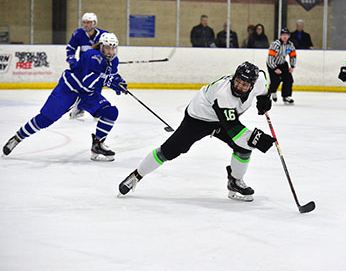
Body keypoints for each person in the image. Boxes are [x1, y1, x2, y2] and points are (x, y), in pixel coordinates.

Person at [118, 62, 276, 202]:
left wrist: (265, 97)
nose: (239, 86)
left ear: (252, 85)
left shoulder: (259, 81)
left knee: (244, 148)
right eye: (238, 81)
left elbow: (264, 84)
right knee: (170, 150)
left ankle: (235, 182)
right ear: (234, 77)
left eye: (245, 84)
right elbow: (235, 131)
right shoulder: (223, 94)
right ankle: (137, 175)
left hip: (223, 119)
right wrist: (258, 140)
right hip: (198, 118)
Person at [2, 33, 127, 162]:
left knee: (110, 112)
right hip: (69, 89)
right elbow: (88, 81)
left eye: (113, 48)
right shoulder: (93, 55)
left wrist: (119, 82)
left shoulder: (113, 60)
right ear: (101, 46)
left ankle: (97, 145)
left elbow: (112, 75)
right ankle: (17, 137)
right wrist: (110, 82)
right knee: (46, 119)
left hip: (87, 94)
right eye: (107, 48)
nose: (110, 51)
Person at [66, 13, 108, 119]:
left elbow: (109, 51)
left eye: (88, 22)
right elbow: (70, 48)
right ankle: (79, 108)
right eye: (84, 22)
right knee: (84, 88)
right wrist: (72, 62)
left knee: (97, 87)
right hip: (83, 68)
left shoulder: (104, 35)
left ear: (94, 23)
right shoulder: (78, 34)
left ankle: (96, 110)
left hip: (97, 67)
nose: (86, 25)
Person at [267, 28, 297, 105]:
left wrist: (292, 66)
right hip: (272, 64)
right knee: (276, 80)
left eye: (286, 35)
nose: (284, 36)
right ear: (280, 36)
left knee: (289, 79)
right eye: (283, 35)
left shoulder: (290, 45)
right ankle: (272, 92)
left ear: (289, 36)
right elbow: (270, 58)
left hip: (283, 64)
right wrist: (274, 68)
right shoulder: (276, 44)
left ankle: (286, 96)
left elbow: (293, 55)